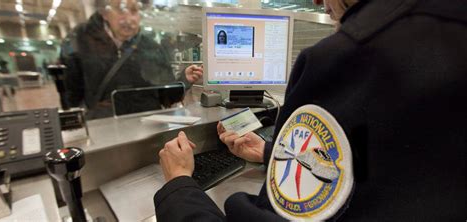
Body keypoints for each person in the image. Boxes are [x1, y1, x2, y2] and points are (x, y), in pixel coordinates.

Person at [154, 0, 466, 221]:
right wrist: (274, 153)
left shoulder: (346, 59)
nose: (318, 1)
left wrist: (178, 184)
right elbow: (382, 166)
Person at [61, 0, 203, 119]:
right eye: (121, 10)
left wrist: (184, 80)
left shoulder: (151, 47)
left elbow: (165, 96)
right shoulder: (83, 44)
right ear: (104, 13)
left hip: (149, 130)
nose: (129, 19)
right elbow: (72, 96)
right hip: (104, 130)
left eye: (134, 10)